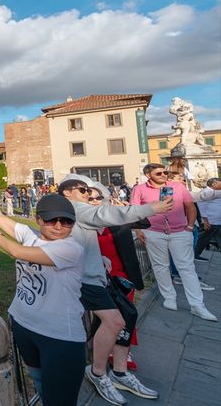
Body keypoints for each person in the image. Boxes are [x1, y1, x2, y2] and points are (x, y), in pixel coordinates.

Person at [0, 162, 86, 405]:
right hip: (25, 325)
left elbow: (16, 252)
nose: (58, 226)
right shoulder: (31, 235)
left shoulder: (70, 248)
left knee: (60, 400)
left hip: (59, 337)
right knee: (42, 389)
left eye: (66, 222)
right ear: (38, 220)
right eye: (51, 220)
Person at [58, 174, 170, 404]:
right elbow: (104, 216)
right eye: (83, 189)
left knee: (128, 315)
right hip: (85, 279)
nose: (88, 193)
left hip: (97, 275)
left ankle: (119, 371)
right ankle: (98, 372)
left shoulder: (80, 209)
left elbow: (94, 230)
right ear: (67, 192)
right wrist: (151, 207)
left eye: (89, 191)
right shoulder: (75, 208)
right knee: (114, 321)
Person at [130, 164, 216, 321]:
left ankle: (198, 305)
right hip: (154, 232)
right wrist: (138, 230)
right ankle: (169, 297)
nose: (163, 175)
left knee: (187, 267)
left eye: (165, 172)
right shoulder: (139, 189)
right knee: (160, 266)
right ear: (148, 175)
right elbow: (134, 211)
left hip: (180, 231)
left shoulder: (177, 186)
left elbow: (190, 206)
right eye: (159, 173)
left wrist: (189, 227)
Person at [88, 182, 146, 373]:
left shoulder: (115, 217)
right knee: (110, 317)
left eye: (98, 198)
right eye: (90, 198)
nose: (95, 201)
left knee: (127, 314)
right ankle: (105, 349)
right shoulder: (83, 223)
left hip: (122, 274)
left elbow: (145, 222)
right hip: (100, 276)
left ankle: (124, 350)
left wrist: (126, 208)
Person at [195, 177, 221, 257]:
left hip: (216, 221)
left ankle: (195, 254)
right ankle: (194, 254)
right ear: (214, 184)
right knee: (202, 239)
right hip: (210, 222)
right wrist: (205, 221)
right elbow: (201, 207)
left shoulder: (214, 192)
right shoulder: (206, 192)